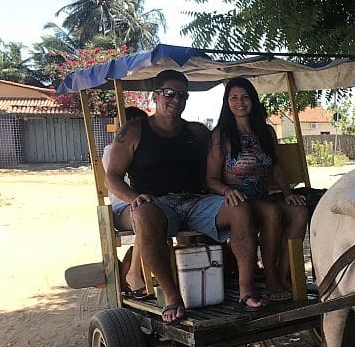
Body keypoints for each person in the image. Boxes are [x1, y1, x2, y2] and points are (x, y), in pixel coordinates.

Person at [105, 70, 265, 324]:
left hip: (196, 201)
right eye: (169, 93)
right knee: (145, 214)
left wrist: (236, 182)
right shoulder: (134, 131)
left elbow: (219, 163)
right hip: (155, 204)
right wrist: (134, 197)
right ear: (156, 96)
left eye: (182, 95)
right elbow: (111, 177)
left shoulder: (198, 132)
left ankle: (247, 290)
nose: (175, 100)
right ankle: (173, 297)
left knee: (240, 206)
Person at [206, 77, 308, 302]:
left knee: (299, 212)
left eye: (245, 97)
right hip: (238, 199)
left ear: (253, 100)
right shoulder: (221, 134)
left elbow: (277, 169)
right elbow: (211, 179)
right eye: (233, 98)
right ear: (227, 102)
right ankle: (270, 279)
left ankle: (284, 274)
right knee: (272, 213)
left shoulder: (266, 132)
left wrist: (289, 194)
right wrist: (226, 191)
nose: (239, 102)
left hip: (264, 195)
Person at [103, 106, 149, 298]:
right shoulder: (112, 151)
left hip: (147, 201)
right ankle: (134, 274)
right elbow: (120, 182)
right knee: (145, 214)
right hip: (124, 205)